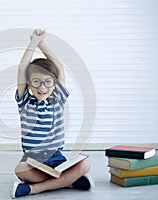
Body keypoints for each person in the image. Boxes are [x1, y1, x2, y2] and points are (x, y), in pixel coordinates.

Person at [11, 29, 94, 198]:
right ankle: (68, 182)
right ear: (28, 84)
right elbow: (21, 70)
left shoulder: (57, 100)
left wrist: (42, 43)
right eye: (36, 82)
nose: (42, 87)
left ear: (54, 84)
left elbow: (59, 69)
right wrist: (33, 43)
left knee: (85, 165)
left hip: (56, 158)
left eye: (48, 82)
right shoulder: (25, 102)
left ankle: (34, 189)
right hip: (33, 160)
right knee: (20, 170)